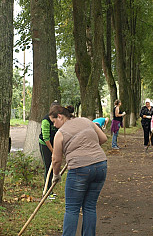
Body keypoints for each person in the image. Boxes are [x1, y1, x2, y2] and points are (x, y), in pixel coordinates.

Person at [50, 105, 107, 236]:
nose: (54, 126)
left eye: (54, 122)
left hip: (79, 169)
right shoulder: (87, 121)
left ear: (60, 116)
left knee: (72, 209)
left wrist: (56, 175)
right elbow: (103, 139)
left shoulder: (60, 133)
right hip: (101, 165)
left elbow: (56, 160)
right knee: (90, 207)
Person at [39, 100, 60, 200]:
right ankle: (46, 191)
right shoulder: (46, 120)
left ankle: (51, 190)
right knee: (48, 167)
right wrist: (53, 151)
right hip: (45, 145)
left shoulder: (59, 119)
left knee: (53, 168)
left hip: (54, 144)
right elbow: (46, 138)